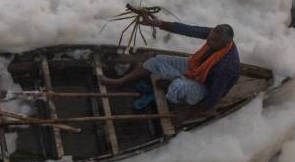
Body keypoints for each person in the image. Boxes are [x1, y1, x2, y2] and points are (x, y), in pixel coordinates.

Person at [102, 17, 239, 111]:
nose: (209, 41)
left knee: (178, 87)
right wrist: (157, 23)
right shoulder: (214, 36)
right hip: (195, 67)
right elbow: (188, 29)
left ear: (224, 44)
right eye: (209, 37)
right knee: (157, 60)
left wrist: (186, 113)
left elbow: (212, 100)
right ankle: (120, 81)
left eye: (213, 41)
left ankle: (174, 95)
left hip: (206, 87)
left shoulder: (225, 68)